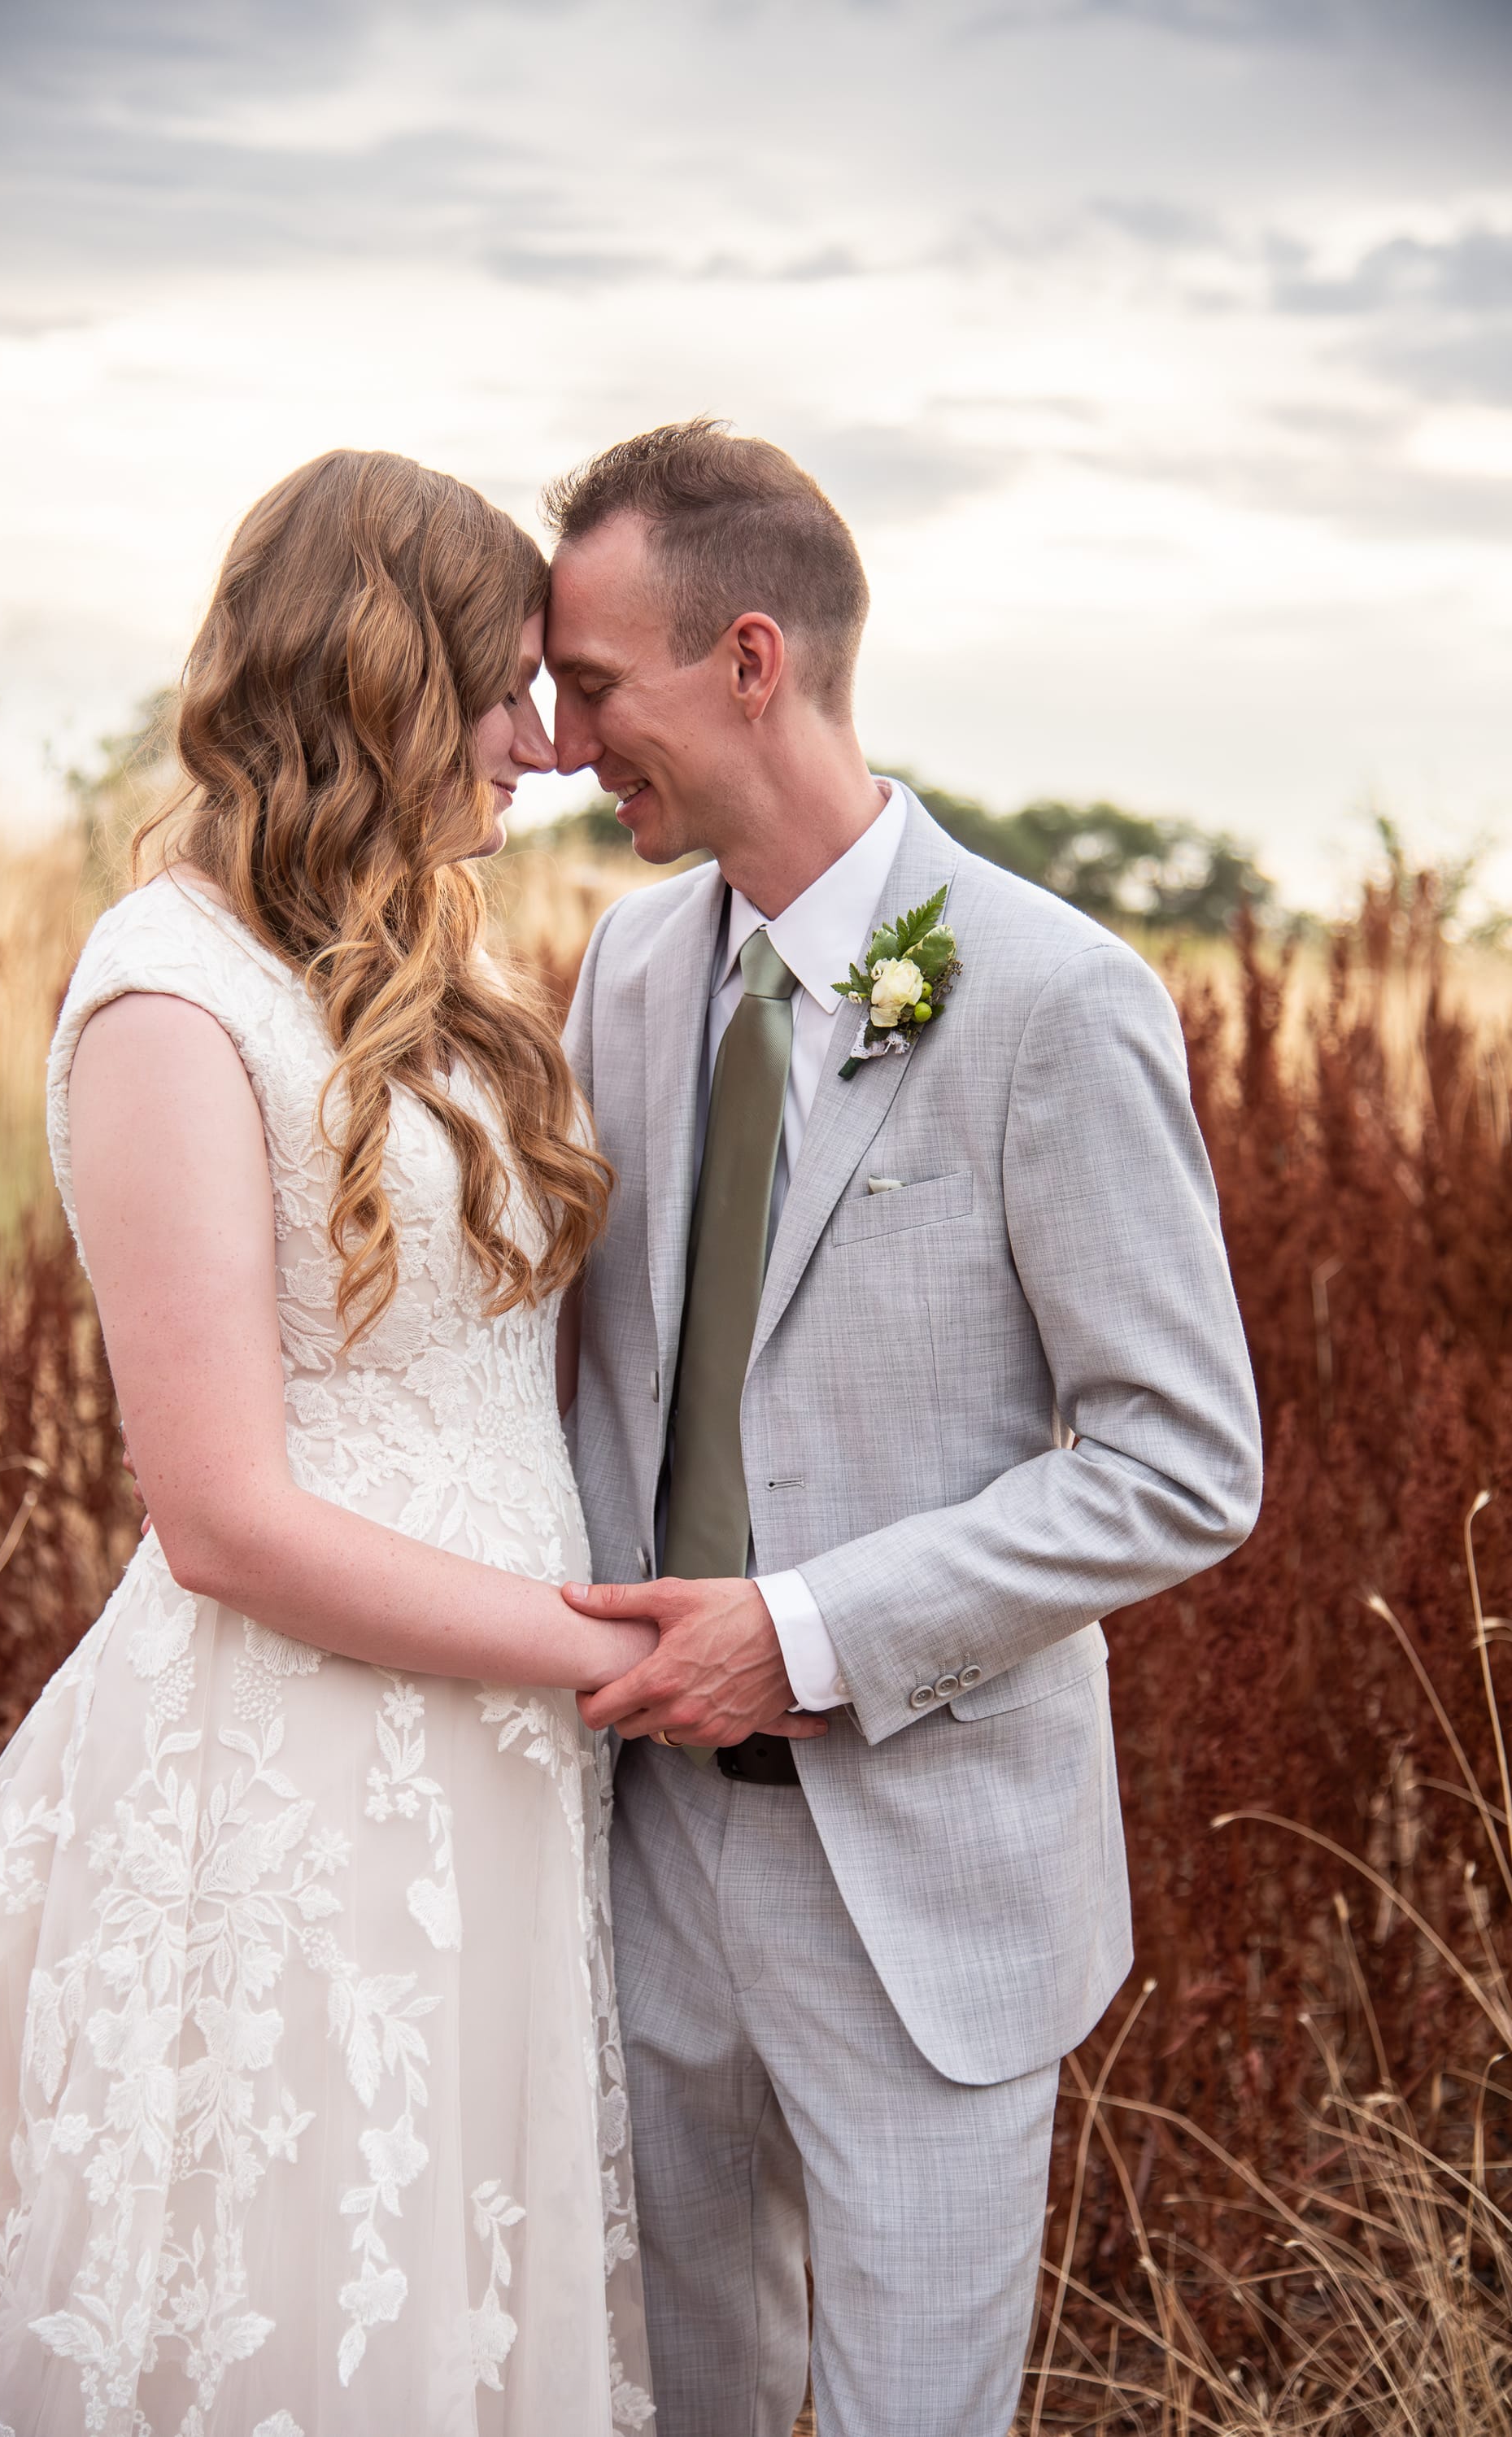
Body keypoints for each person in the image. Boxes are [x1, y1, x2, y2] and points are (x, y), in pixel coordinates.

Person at [0, 450, 656, 2436]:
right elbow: (222, 1516)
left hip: (497, 1755)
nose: (543, 742)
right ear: (383, 678)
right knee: (300, 2286)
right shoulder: (169, 999)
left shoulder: (439, 976)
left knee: (455, 2280)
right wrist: (612, 1655)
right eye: (503, 688)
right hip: (305, 1755)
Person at [546, 419, 1264, 2437]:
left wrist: (808, 1632)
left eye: (595, 685)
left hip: (924, 1883)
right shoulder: (626, 968)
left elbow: (1180, 1461)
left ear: (748, 659)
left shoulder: (1052, 995)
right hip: (639, 1852)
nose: (569, 740)